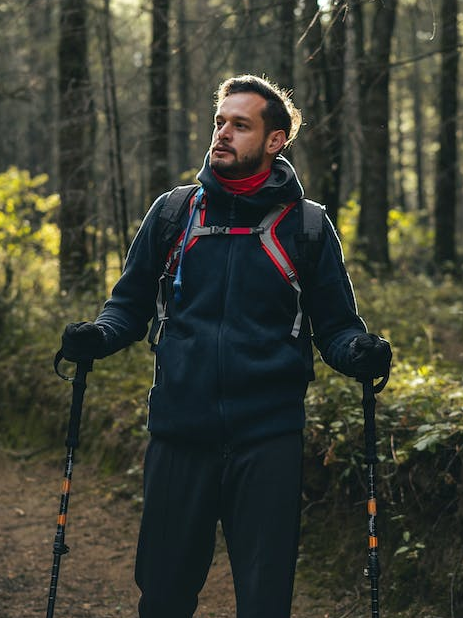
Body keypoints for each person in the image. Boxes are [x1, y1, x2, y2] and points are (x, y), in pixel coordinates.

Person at [60, 74, 391, 618]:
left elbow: (335, 326)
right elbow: (129, 304)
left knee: (264, 602)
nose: (223, 134)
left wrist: (360, 352)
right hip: (178, 434)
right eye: (220, 122)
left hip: (268, 441)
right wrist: (97, 337)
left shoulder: (306, 227)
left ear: (274, 140)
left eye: (240, 125)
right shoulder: (173, 213)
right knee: (163, 597)